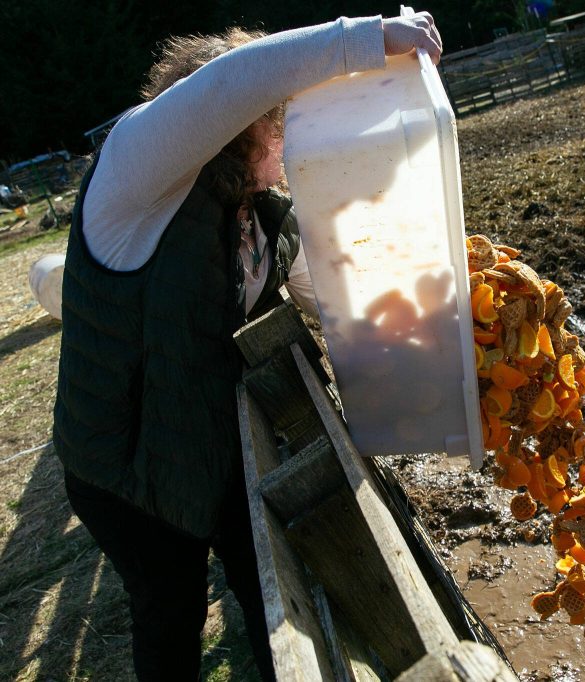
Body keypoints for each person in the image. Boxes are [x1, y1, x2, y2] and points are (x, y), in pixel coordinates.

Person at [52, 12, 442, 682]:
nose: (285, 135)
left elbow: (336, 304)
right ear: (236, 127)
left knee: (267, 587)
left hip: (209, 441)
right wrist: (367, 38)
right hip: (123, 467)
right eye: (274, 120)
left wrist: (432, 361)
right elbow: (226, 84)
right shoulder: (133, 178)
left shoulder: (263, 217)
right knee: (169, 614)